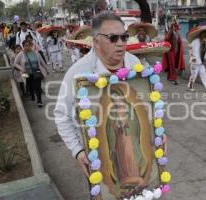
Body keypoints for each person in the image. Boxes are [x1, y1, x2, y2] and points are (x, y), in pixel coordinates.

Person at [54, 12, 157, 179]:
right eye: (113, 38)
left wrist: (156, 134)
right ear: (95, 41)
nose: (121, 44)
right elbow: (61, 115)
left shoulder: (135, 64)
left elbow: (145, 107)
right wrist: (78, 150)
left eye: (124, 37)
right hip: (100, 159)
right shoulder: (78, 73)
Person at [14, 39, 49, 107]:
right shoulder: (21, 54)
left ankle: (39, 101)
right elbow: (15, 63)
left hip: (36, 72)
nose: (27, 47)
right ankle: (32, 95)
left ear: (31, 45)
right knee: (29, 86)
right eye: (25, 46)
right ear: (23, 47)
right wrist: (22, 69)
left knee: (37, 87)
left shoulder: (36, 53)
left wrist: (47, 69)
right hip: (26, 74)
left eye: (28, 45)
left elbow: (42, 62)